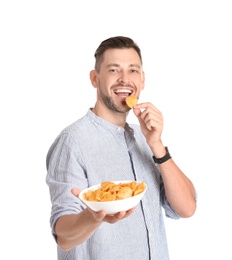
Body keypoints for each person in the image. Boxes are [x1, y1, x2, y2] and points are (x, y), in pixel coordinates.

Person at [46, 36, 197, 260]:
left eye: (133, 70)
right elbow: (64, 237)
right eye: (114, 70)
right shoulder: (73, 141)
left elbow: (187, 208)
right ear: (95, 78)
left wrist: (157, 145)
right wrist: (93, 217)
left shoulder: (145, 138)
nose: (125, 79)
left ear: (143, 79)